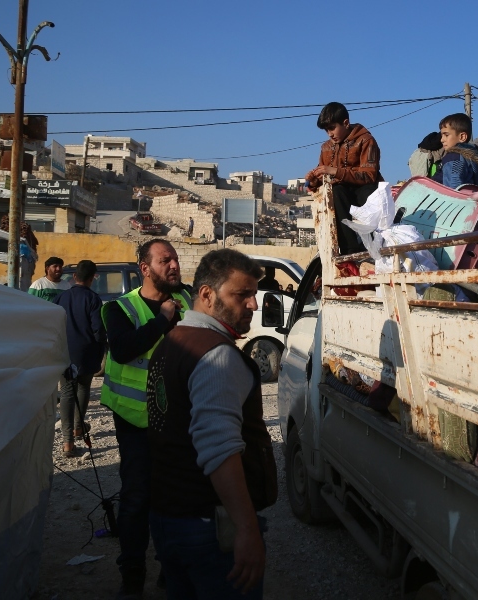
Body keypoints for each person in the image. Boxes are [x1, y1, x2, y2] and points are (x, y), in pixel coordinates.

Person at [146, 249, 277, 599]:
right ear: (206, 294)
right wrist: (247, 530)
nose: (252, 304)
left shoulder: (171, 341)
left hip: (169, 519)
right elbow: (219, 450)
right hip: (207, 527)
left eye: (254, 294)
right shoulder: (216, 355)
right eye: (241, 294)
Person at [100, 239, 194, 598]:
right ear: (145, 268)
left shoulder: (188, 300)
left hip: (178, 421)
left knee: (176, 498)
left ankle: (170, 569)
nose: (173, 265)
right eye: (164, 260)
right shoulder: (119, 309)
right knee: (137, 498)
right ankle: (133, 575)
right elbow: (123, 351)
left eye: (175, 259)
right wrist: (163, 320)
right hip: (136, 422)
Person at [305, 102, 384, 255]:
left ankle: (378, 242)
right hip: (343, 195)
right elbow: (323, 178)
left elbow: (369, 175)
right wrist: (314, 180)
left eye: (332, 128)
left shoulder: (366, 140)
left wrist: (336, 171)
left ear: (345, 123)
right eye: (326, 130)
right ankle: (349, 251)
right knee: (336, 192)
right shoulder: (326, 147)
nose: (329, 134)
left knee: (367, 193)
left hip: (365, 191)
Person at [55, 260, 106, 458]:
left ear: (75, 277)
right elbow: (98, 329)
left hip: (65, 352)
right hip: (87, 352)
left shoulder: (61, 298)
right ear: (93, 277)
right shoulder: (94, 299)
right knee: (84, 386)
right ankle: (78, 428)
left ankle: (68, 442)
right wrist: (103, 344)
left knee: (67, 391)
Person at [432, 113, 478, 189]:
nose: (442, 140)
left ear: (462, 137)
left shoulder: (453, 157)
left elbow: (453, 187)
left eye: (446, 135)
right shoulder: (472, 158)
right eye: (442, 135)